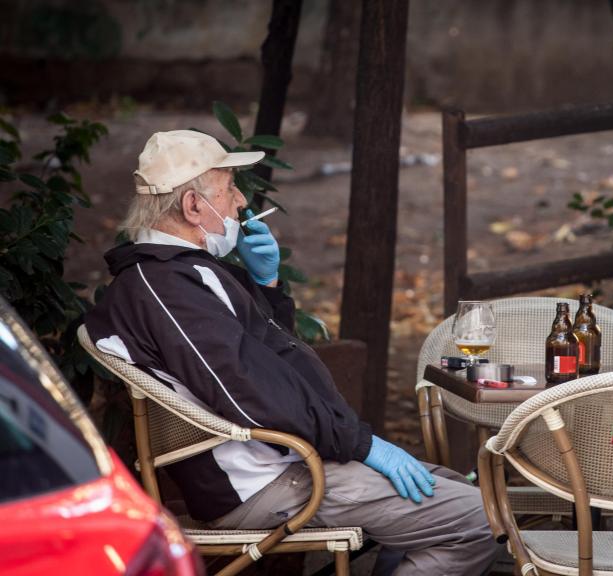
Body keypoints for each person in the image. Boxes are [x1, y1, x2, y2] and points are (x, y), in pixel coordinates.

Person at [85, 130, 497, 575]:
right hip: (267, 481)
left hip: (282, 463)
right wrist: (360, 443)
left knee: (452, 488)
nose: (241, 201)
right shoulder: (165, 287)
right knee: (476, 518)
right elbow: (247, 391)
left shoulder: (180, 276)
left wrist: (267, 286)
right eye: (228, 189)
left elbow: (263, 363)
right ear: (192, 207)